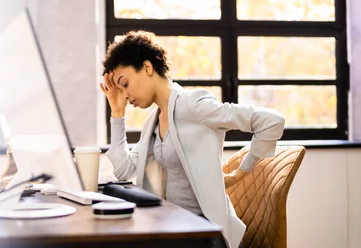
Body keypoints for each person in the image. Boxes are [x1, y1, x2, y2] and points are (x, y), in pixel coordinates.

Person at [99, 30, 285, 248]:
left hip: (203, 233)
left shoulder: (194, 105)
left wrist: (240, 172)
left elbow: (272, 121)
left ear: (147, 68)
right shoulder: (153, 121)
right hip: (172, 228)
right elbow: (124, 170)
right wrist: (117, 113)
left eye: (125, 83)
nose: (125, 94)